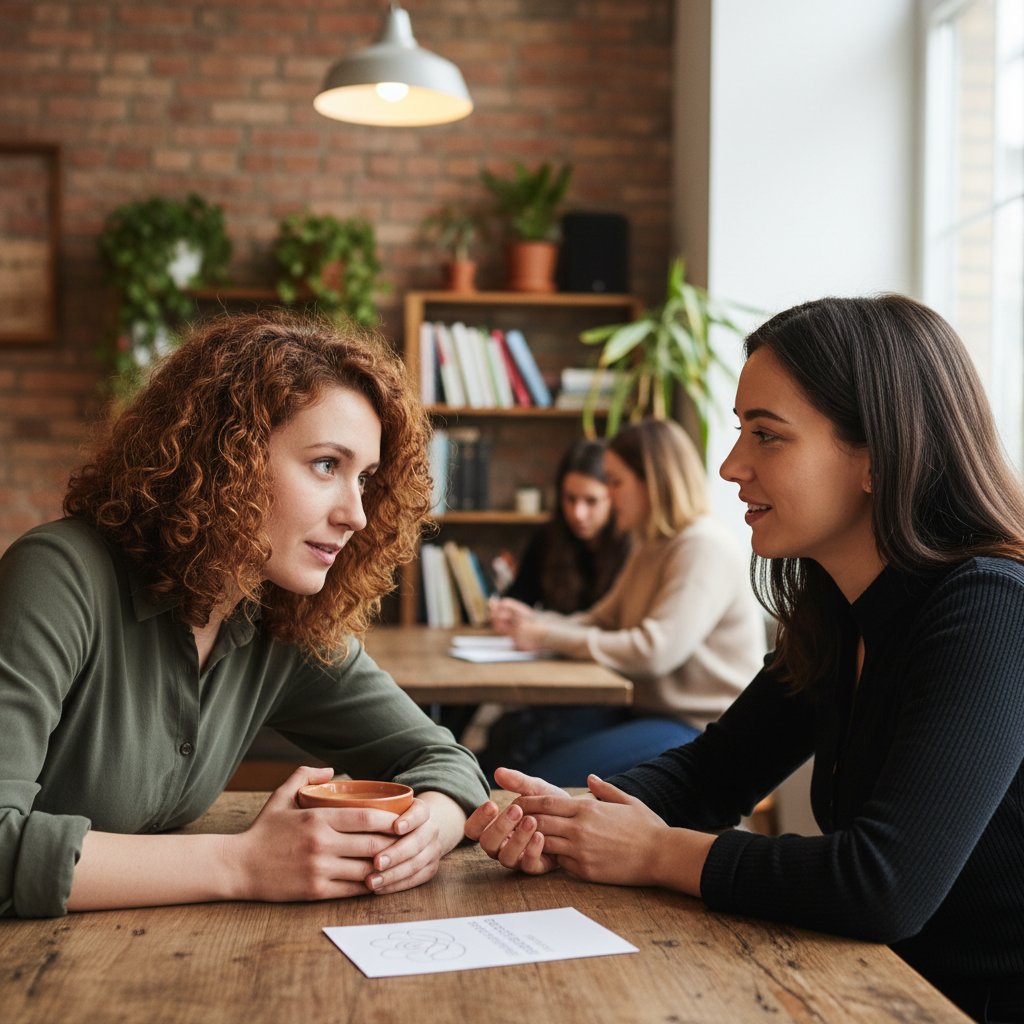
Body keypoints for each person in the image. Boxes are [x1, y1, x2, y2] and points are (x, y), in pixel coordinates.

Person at [466, 295, 1024, 1024]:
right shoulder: (837, 609)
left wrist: (655, 853)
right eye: (740, 432)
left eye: (767, 435)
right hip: (870, 984)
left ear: (877, 456)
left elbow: (882, 885)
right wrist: (563, 820)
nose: (731, 466)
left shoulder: (993, 608)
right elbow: (713, 770)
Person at [0, 309, 489, 920]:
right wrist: (244, 863)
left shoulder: (281, 616)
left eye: (365, 478)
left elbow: (444, 759)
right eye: (325, 465)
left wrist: (431, 829)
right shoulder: (58, 574)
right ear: (224, 457)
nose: (356, 514)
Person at [480, 418, 766, 785]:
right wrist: (536, 623)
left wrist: (546, 637)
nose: (609, 494)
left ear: (653, 482)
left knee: (537, 776)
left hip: (701, 728)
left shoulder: (701, 546)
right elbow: (602, 619)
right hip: (647, 713)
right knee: (516, 734)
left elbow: (653, 651)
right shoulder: (650, 543)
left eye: (615, 481)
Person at [504, 438, 630, 613]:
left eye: (591, 501)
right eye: (570, 499)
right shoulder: (546, 539)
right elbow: (518, 598)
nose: (578, 513)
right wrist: (505, 611)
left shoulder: (632, 546)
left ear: (612, 499)